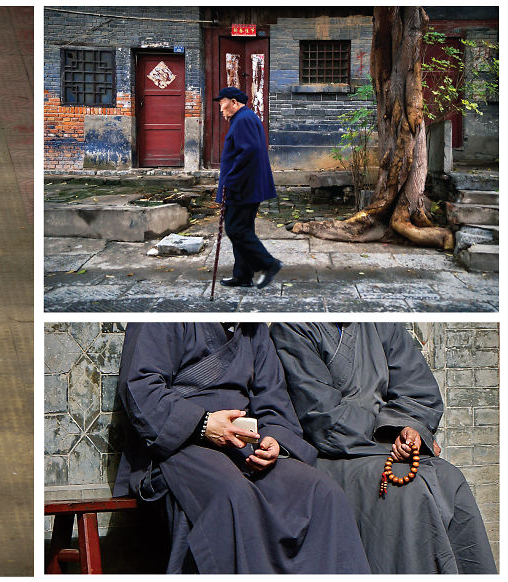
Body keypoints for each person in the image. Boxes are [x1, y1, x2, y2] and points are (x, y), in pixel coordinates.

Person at [114, 322, 370, 574]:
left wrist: (275, 441)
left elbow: (273, 400)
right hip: (179, 444)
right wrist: (204, 424)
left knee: (322, 492)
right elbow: (139, 386)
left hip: (244, 445)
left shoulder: (252, 327)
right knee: (233, 495)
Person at [270, 322, 497, 574]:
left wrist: (408, 429)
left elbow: (418, 392)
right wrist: (388, 435)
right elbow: (322, 417)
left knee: (450, 477)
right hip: (331, 453)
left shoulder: (379, 322)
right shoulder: (293, 327)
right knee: (409, 489)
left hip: (382, 442)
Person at [214, 87, 283, 289]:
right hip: (245, 186)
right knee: (242, 228)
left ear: (234, 102)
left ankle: (268, 264)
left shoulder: (244, 119)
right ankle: (243, 275)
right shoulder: (244, 118)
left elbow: (248, 152)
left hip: (242, 187)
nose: (221, 108)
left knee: (235, 229)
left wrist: (231, 180)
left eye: (222, 103)